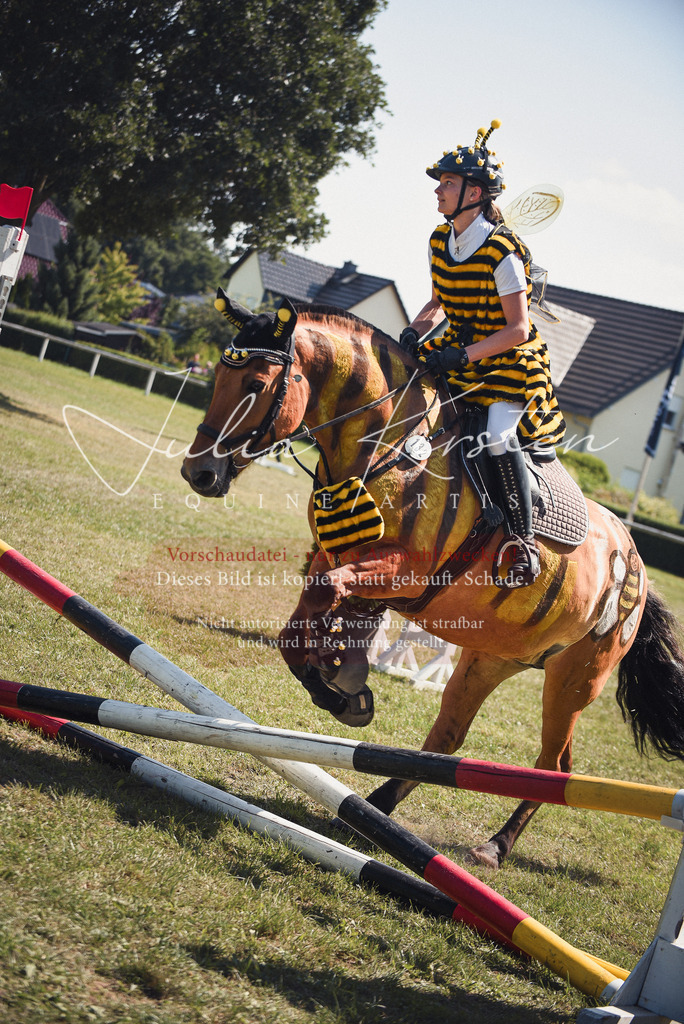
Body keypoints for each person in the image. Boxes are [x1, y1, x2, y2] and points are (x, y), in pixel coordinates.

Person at [399, 120, 565, 588]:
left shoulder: (503, 252)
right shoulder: (439, 240)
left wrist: (462, 356)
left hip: (509, 362)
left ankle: (521, 541)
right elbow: (436, 305)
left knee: (495, 435)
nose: (438, 192)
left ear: (474, 192)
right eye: (440, 184)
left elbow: (517, 328)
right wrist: (414, 333)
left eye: (447, 184)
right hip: (460, 348)